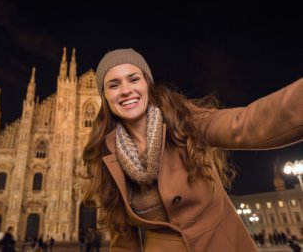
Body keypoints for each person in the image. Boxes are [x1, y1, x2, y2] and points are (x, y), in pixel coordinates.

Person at [82, 48, 303, 252]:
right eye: (114, 85)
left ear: (147, 83)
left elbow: (244, 124)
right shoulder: (106, 156)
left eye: (134, 79)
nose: (126, 90)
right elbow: (123, 239)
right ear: (105, 97)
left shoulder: (185, 120)